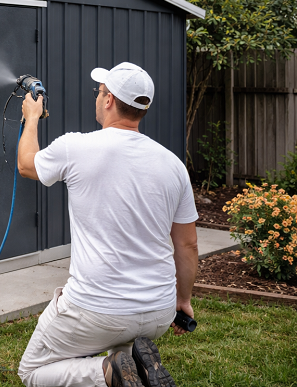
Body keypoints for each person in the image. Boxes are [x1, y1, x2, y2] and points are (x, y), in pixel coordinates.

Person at [15, 62, 199, 387]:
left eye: (99, 92)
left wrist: (31, 117)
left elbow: (27, 165)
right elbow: (187, 244)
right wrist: (182, 301)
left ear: (110, 100)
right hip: (158, 312)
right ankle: (135, 368)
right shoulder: (173, 165)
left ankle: (106, 372)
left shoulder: (76, 147)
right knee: (122, 348)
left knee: (31, 371)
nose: (98, 98)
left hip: (97, 310)